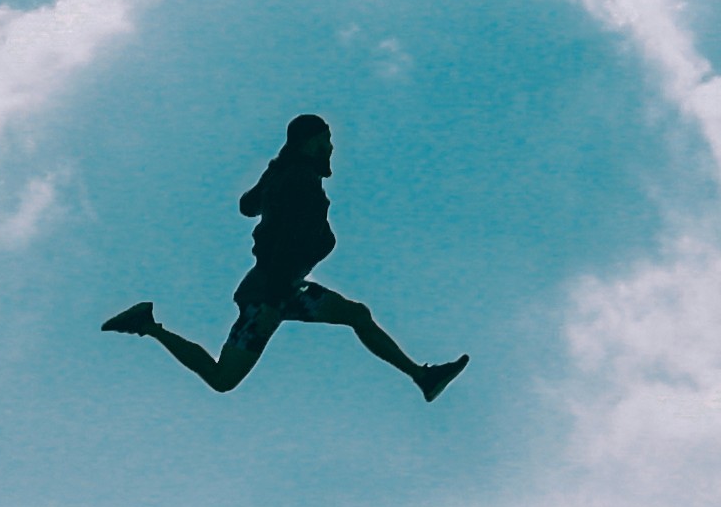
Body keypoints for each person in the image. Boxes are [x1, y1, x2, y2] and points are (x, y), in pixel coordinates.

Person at [104, 112, 468, 399]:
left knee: (357, 314)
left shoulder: (289, 174)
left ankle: (422, 377)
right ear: (310, 142)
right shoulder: (299, 180)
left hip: (286, 287)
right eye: (326, 139)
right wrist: (272, 300)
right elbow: (282, 238)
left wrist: (272, 175)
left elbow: (247, 205)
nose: (331, 147)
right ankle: (146, 325)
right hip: (269, 292)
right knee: (222, 378)